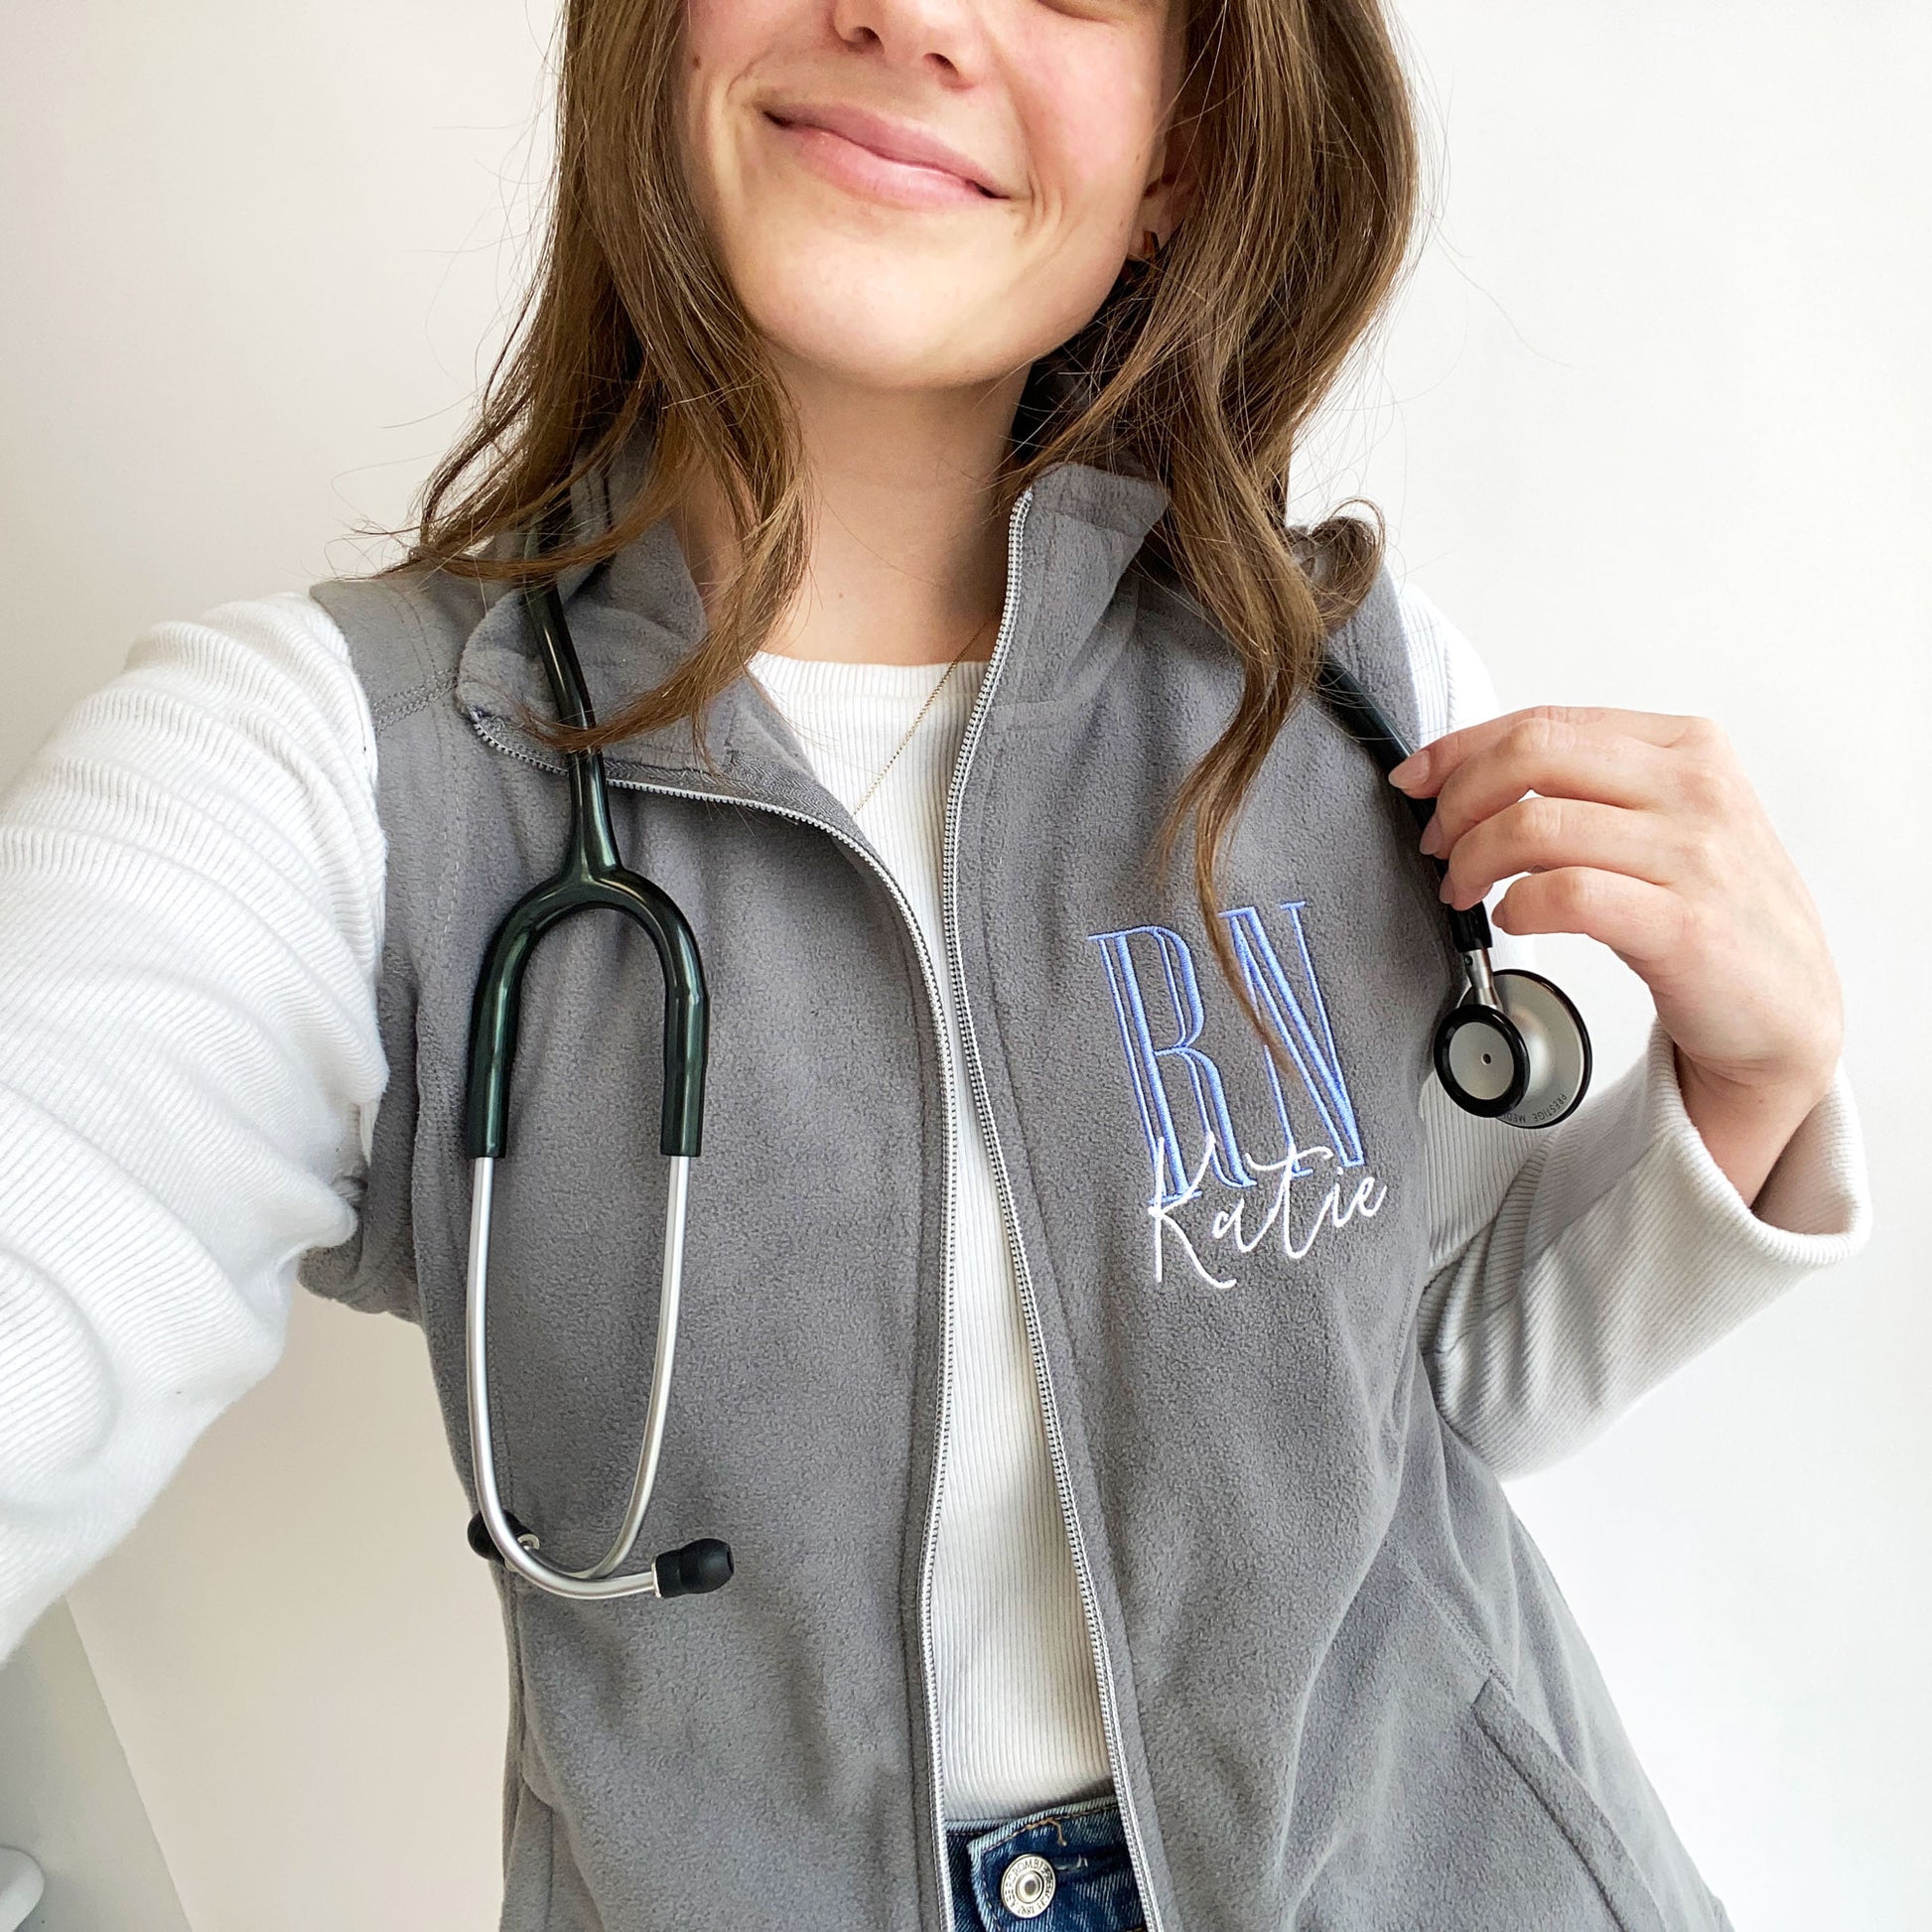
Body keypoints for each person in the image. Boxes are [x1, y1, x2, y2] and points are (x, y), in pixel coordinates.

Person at [0, 1, 1872, 1927]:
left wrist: (1745, 1093)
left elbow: (1425, 1398)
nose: (907, 11)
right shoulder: (318, 774)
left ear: (1184, 151)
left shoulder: (1345, 704)